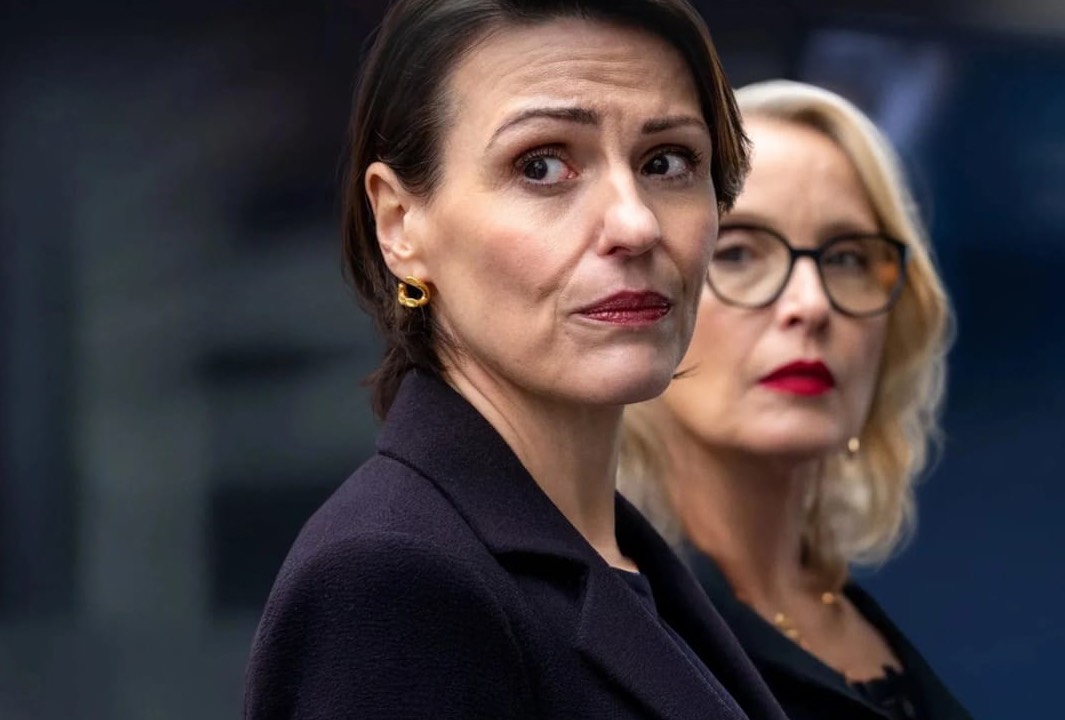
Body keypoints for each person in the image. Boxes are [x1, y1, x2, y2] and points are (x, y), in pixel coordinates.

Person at [243, 2, 789, 719]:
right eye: (542, 165)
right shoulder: (393, 582)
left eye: (667, 161)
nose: (635, 224)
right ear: (400, 224)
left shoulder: (624, 557)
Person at [620, 79, 972, 720]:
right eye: (738, 252)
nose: (810, 305)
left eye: (847, 259)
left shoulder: (849, 615)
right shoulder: (606, 630)